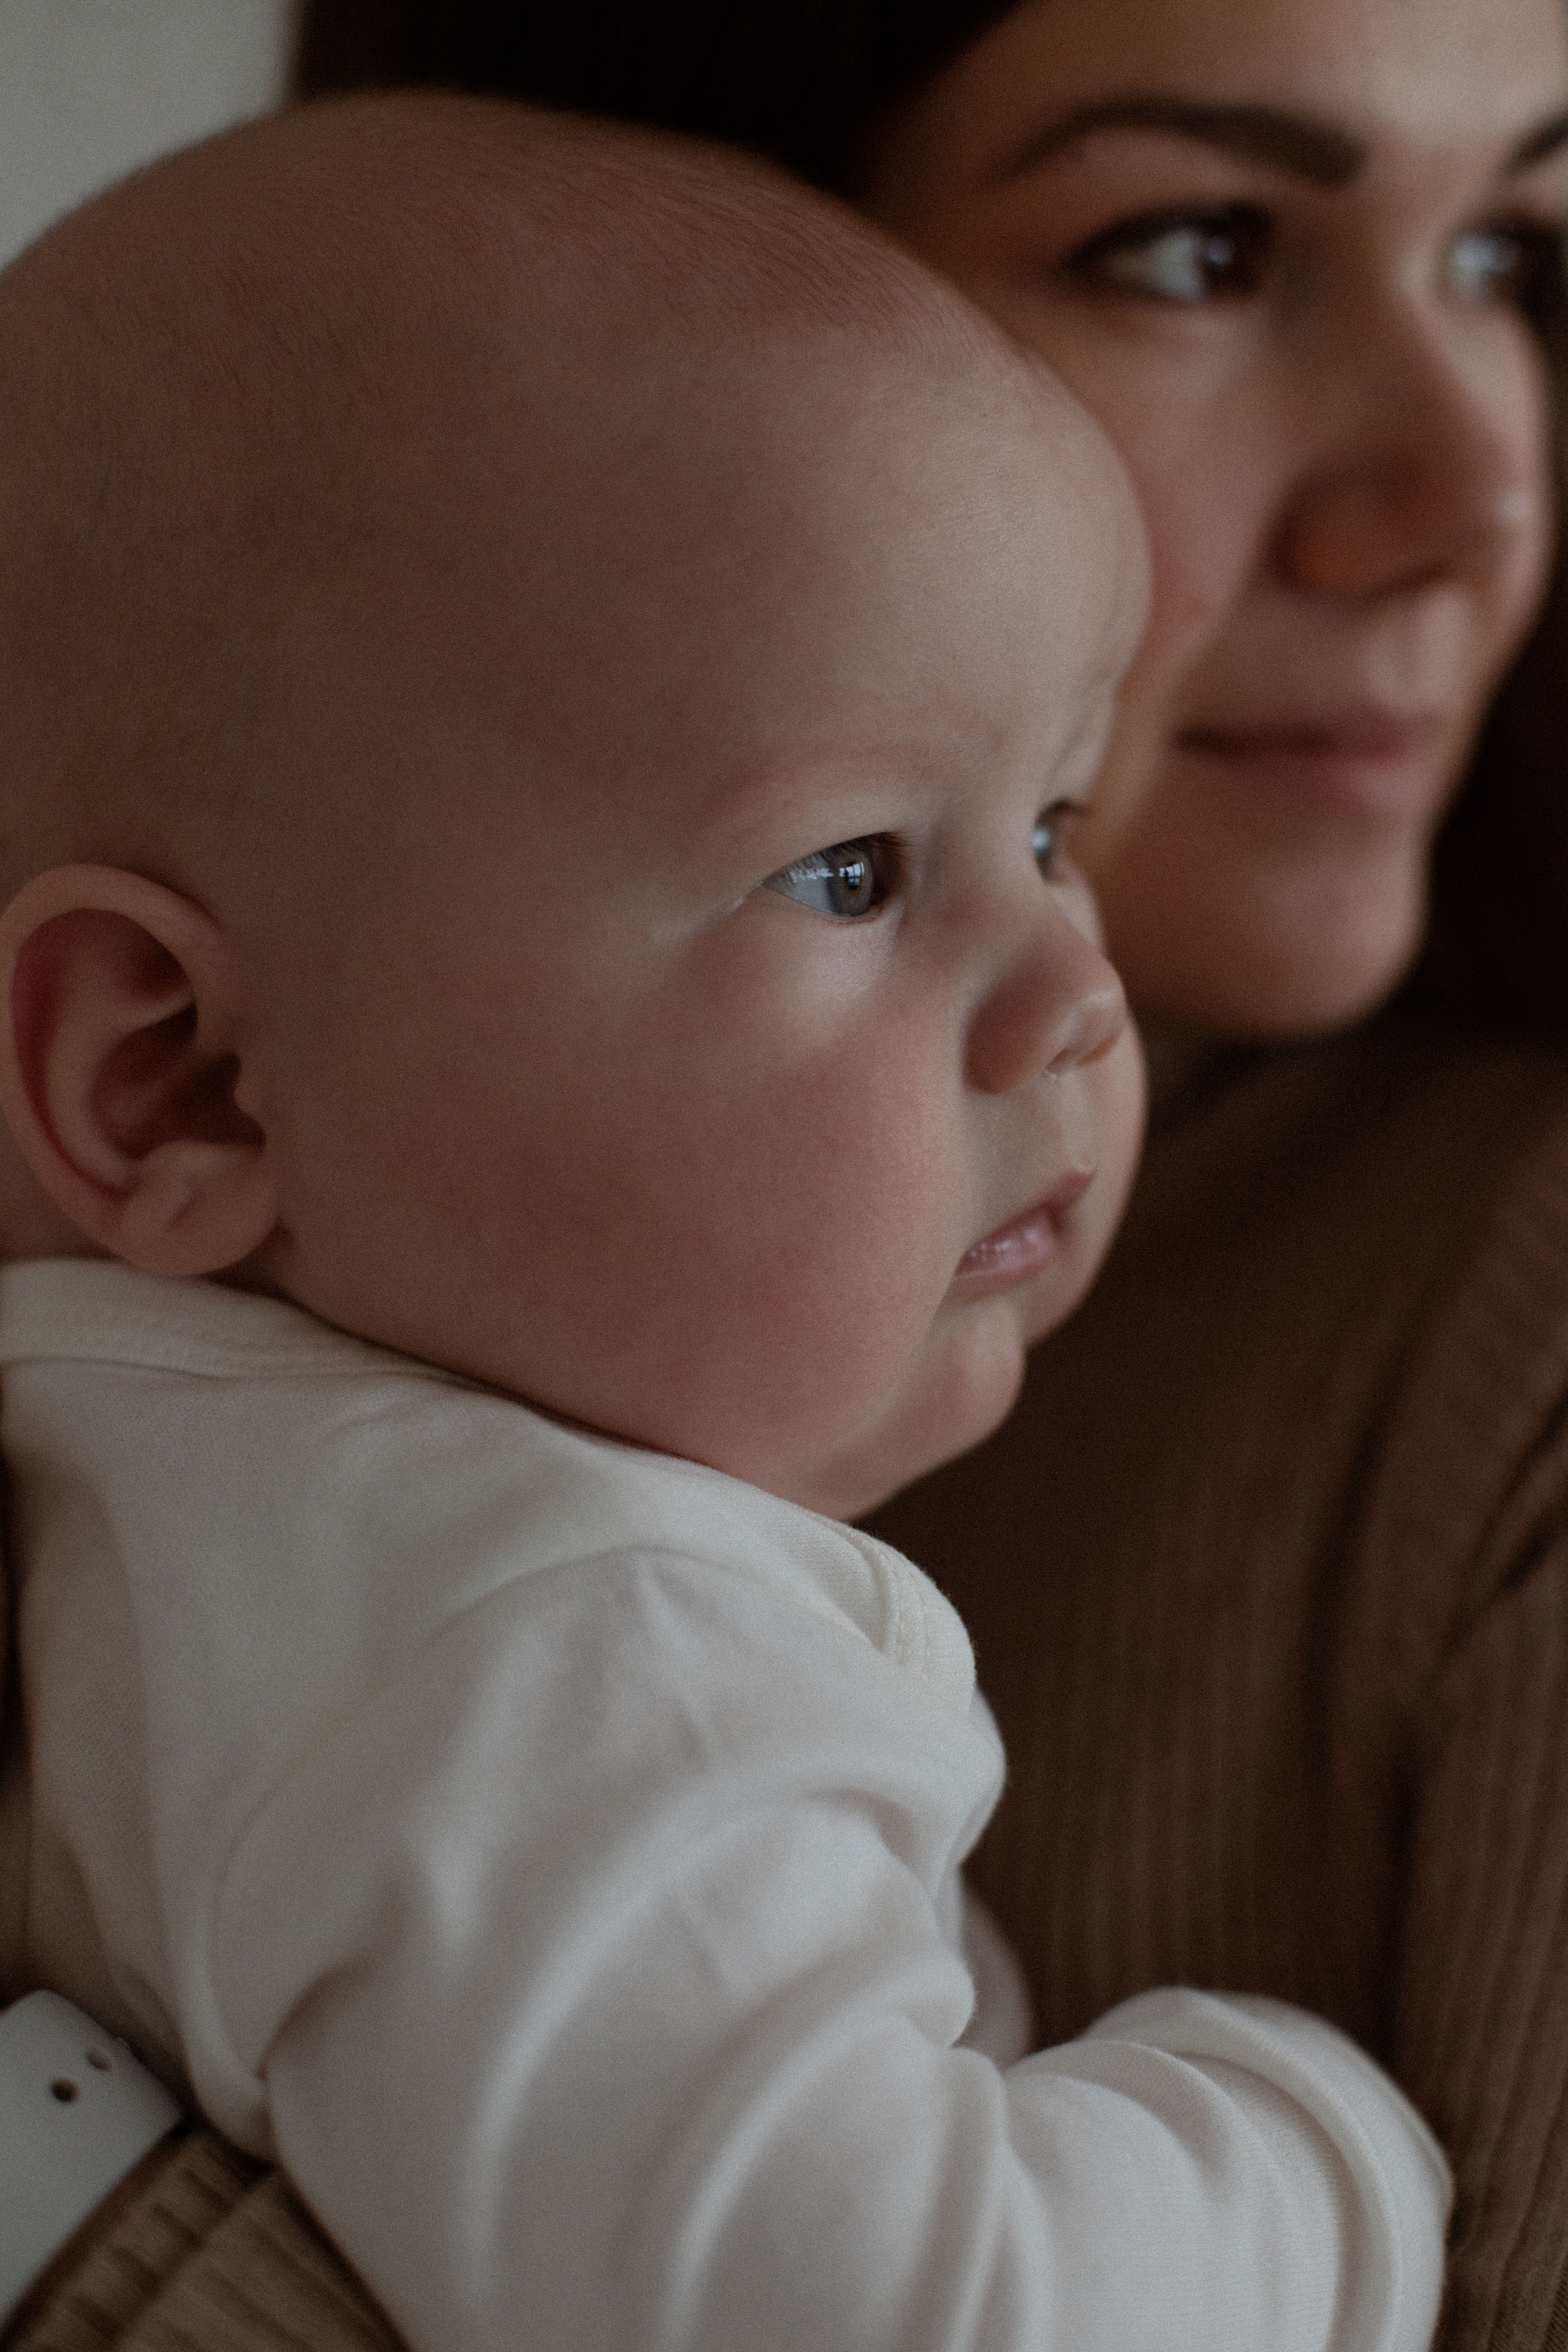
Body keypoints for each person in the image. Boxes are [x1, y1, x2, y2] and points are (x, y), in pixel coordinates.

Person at [10, 0, 1568, 2343]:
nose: (1481, 491)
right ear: (177, 1092)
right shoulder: (561, 1621)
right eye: (1192, 245)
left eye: (1518, 257)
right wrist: (1326, 2147)